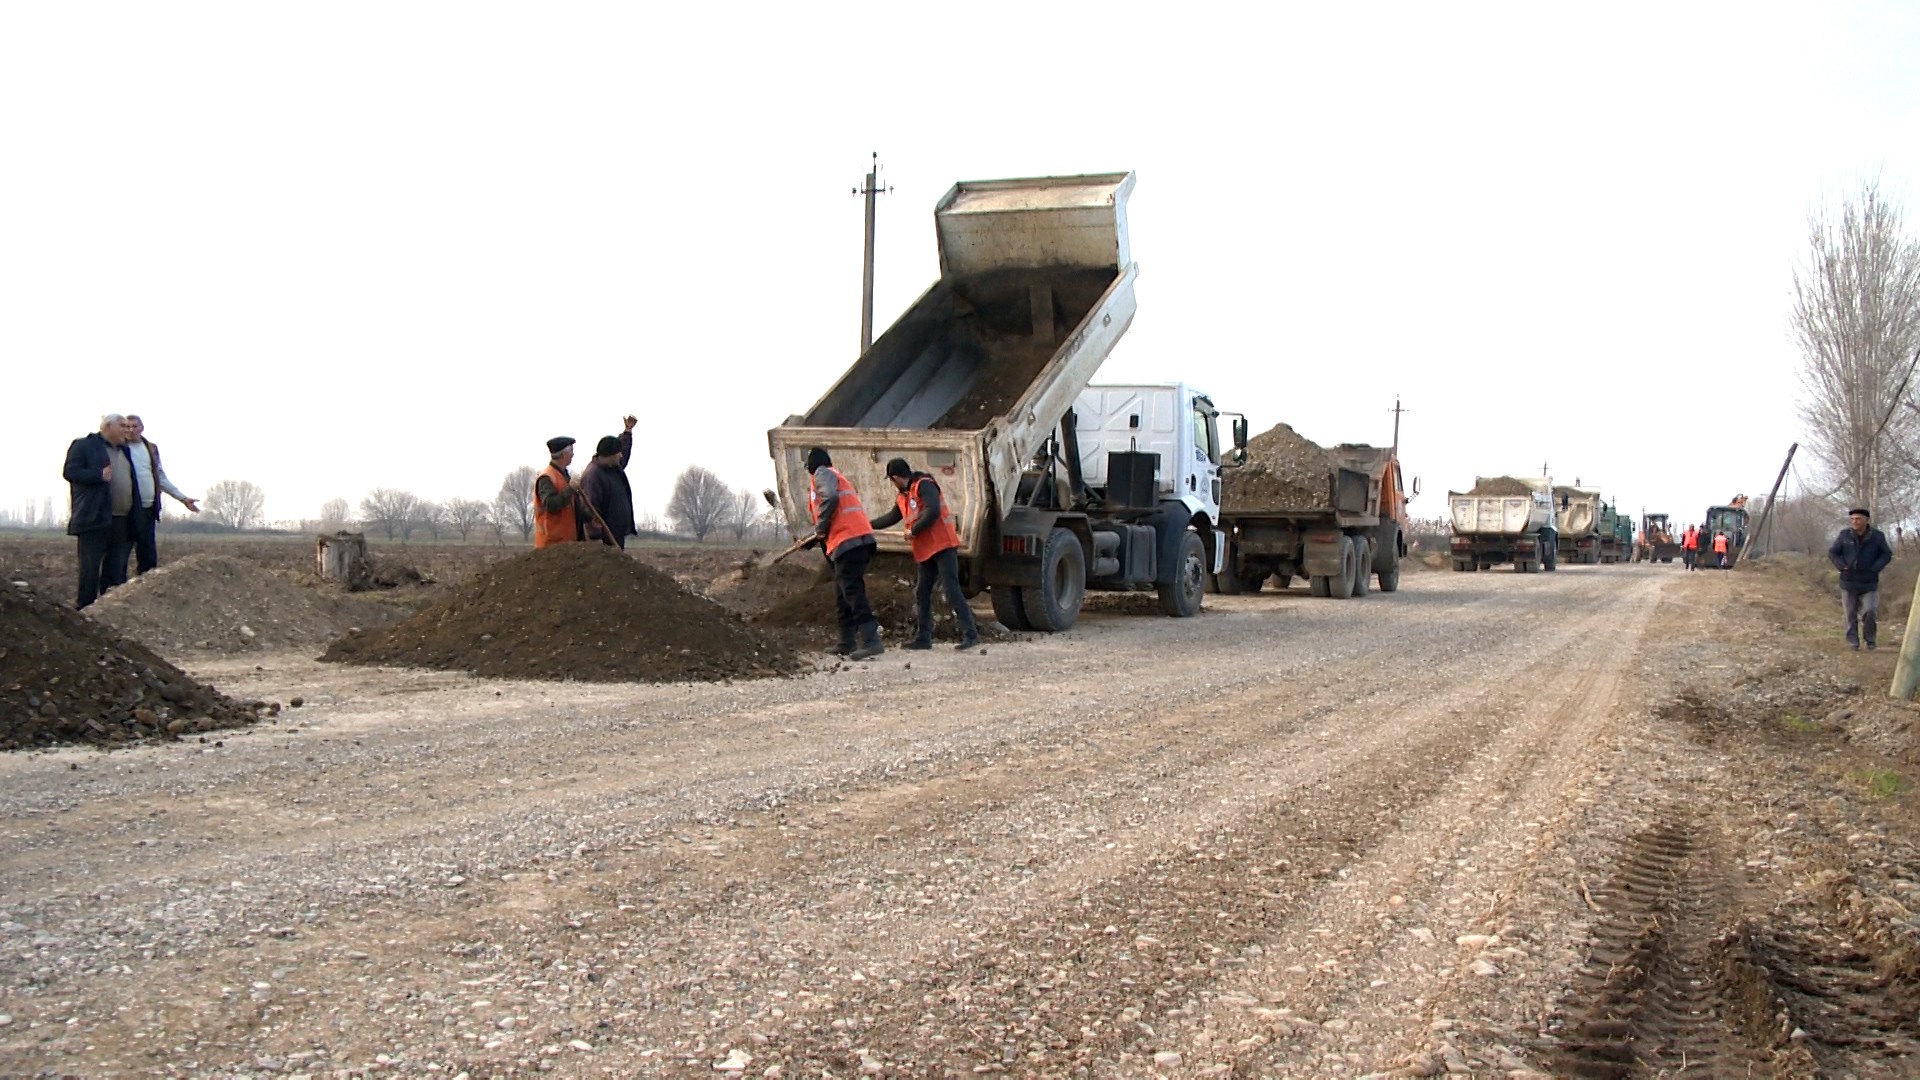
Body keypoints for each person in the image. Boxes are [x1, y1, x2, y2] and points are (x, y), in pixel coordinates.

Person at [869, 457, 979, 651]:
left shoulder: (924, 485)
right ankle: (924, 637)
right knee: (922, 591)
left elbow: (933, 510)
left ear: (896, 477)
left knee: (952, 589)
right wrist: (867, 526)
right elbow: (892, 517)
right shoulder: (904, 496)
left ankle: (971, 634)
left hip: (943, 545)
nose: (893, 484)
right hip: (926, 549)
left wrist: (914, 530)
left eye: (892, 480)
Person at [805, 447, 883, 660]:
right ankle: (846, 641)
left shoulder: (822, 473)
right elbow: (834, 515)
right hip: (858, 539)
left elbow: (830, 499)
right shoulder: (838, 476)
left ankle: (872, 640)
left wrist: (820, 527)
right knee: (843, 591)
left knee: (851, 589)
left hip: (848, 540)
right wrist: (813, 538)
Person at [62, 414, 135, 609]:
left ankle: (110, 611)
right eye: (123, 426)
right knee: (90, 569)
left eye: (129, 426)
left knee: (116, 570)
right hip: (94, 518)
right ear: (107, 427)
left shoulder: (126, 451)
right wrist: (98, 475)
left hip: (122, 520)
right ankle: (85, 612)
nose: (127, 430)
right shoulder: (84, 446)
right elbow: (70, 472)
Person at [122, 414, 200, 575]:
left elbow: (160, 477)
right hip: (126, 508)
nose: (130, 430)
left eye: (134, 426)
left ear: (141, 428)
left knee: (148, 553)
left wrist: (182, 498)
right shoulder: (119, 448)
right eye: (127, 426)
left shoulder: (150, 448)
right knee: (120, 553)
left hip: (148, 507)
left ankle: (147, 589)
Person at [1828, 507, 1893, 651]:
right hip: (1848, 581)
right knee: (1850, 614)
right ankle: (1853, 642)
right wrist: (1841, 566)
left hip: (1869, 582)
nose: (1854, 522)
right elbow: (1833, 552)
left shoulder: (1877, 537)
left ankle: (1870, 639)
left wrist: (1876, 567)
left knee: (1869, 611)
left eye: (1858, 519)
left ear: (1866, 520)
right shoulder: (1845, 535)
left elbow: (1886, 554)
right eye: (1852, 519)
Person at [580, 417, 638, 549]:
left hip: (615, 533)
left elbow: (624, 452)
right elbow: (590, 510)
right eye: (618, 453)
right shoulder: (593, 476)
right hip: (604, 539)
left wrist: (627, 433)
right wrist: (596, 538)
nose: (621, 456)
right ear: (610, 455)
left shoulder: (612, 467)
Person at [532, 436, 586, 548]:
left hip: (566, 543)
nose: (573, 455)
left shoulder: (564, 476)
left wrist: (589, 517)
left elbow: (572, 507)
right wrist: (570, 488)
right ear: (563, 454)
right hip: (551, 545)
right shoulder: (546, 478)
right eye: (571, 451)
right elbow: (550, 504)